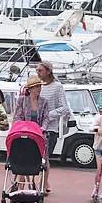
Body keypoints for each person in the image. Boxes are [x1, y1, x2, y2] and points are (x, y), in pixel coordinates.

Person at [36, 63, 67, 194]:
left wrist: (48, 115)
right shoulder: (36, 86)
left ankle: (43, 185)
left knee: (45, 157)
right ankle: (44, 182)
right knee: (35, 157)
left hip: (50, 128)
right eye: (37, 70)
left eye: (40, 70)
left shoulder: (57, 87)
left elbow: (64, 108)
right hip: (35, 127)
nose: (38, 73)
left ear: (48, 71)